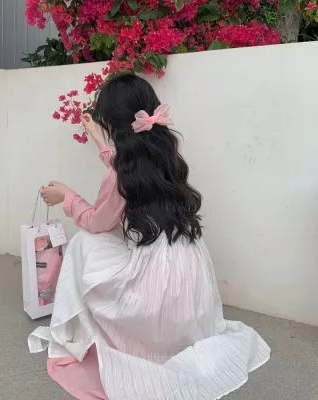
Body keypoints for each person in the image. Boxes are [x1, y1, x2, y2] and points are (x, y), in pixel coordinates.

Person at [28, 74, 270, 400]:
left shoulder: (122, 174)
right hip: (189, 273)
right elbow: (123, 166)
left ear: (114, 124)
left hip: (155, 284)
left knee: (84, 243)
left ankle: (93, 327)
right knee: (99, 242)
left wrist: (67, 197)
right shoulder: (164, 152)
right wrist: (99, 140)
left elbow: (97, 222)